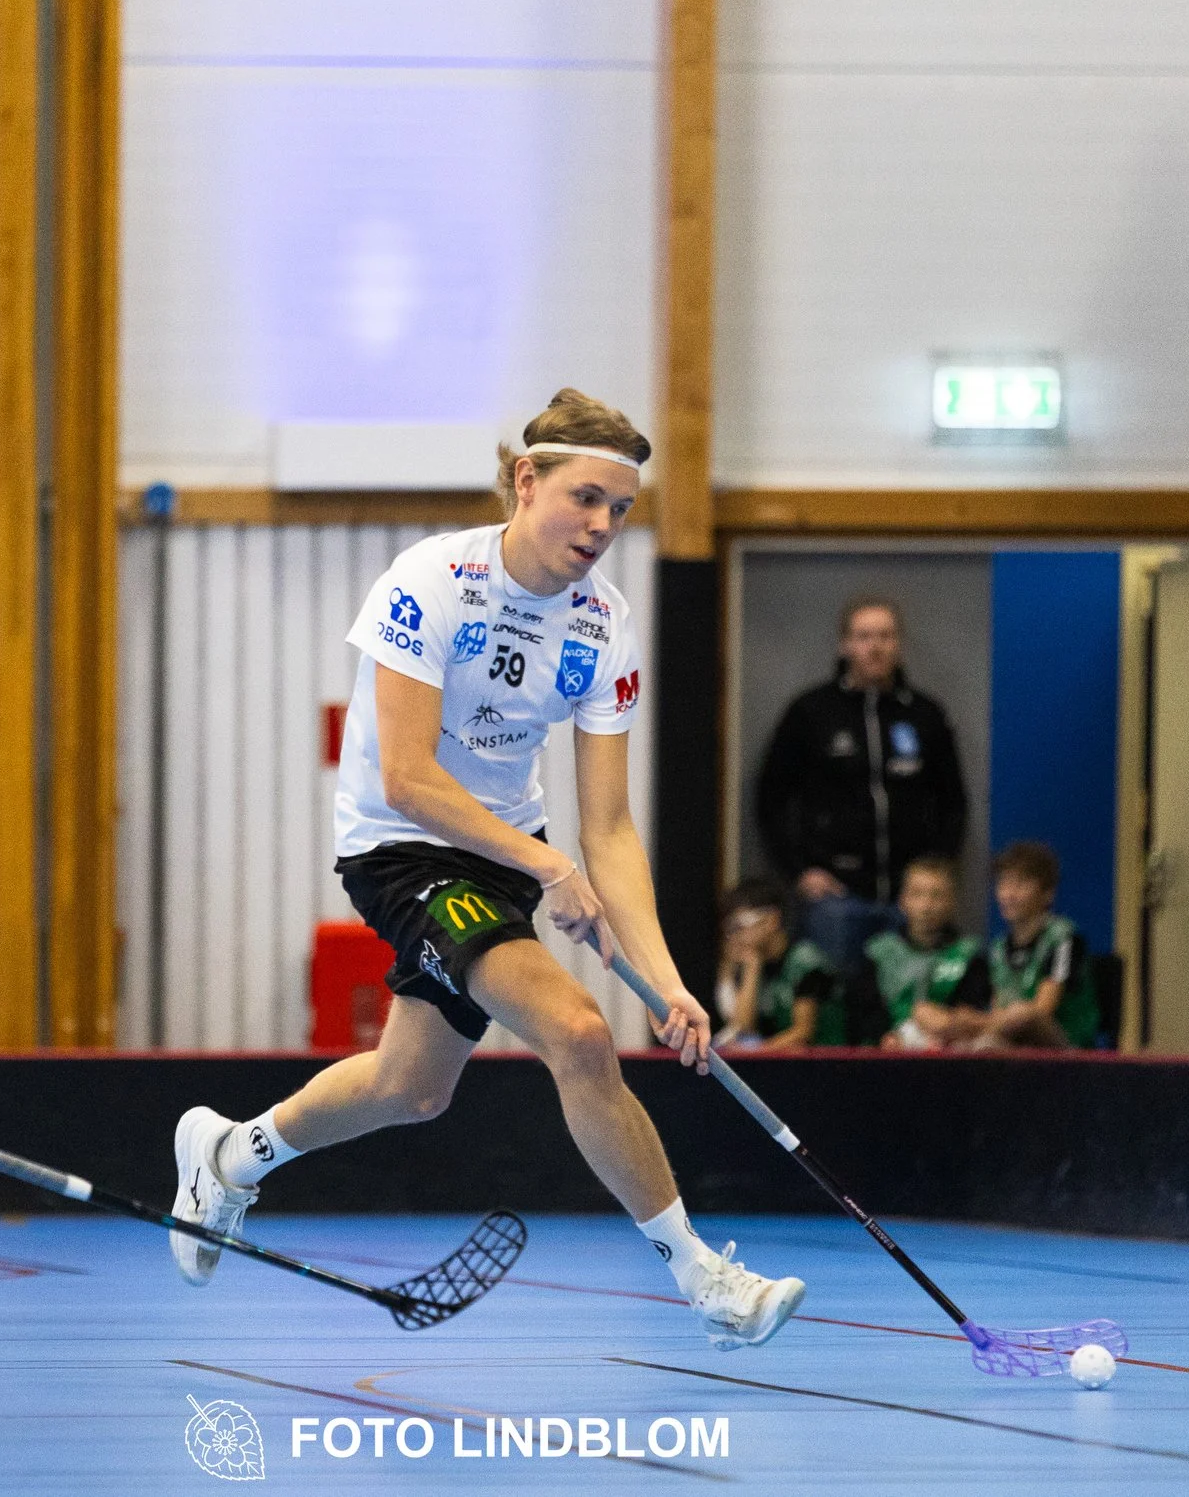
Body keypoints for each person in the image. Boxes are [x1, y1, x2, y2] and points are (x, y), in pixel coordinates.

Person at [167, 391, 806, 1351]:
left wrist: (670, 982)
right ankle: (702, 1274)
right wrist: (548, 864)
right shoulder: (427, 579)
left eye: (621, 509)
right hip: (399, 846)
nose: (602, 526)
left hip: (503, 855)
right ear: (526, 481)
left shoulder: (603, 623)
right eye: (586, 498)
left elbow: (611, 825)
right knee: (580, 1030)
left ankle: (230, 1152)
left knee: (413, 1087)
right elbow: (415, 778)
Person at [753, 599, 968, 970]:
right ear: (845, 645)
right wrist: (798, 871)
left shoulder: (924, 714)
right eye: (864, 636)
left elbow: (953, 800)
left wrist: (938, 870)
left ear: (898, 645)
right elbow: (770, 798)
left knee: (908, 1013)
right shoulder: (811, 712)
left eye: (885, 636)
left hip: (911, 901)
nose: (875, 646)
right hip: (836, 901)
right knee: (835, 1012)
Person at [934, 842, 1097, 1051]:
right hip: (1013, 1040)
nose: (1009, 894)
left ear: (1047, 893)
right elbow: (998, 1009)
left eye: (1021, 884)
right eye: (1004, 883)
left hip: (1064, 1047)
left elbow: (1039, 1013)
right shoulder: (998, 948)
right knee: (964, 1043)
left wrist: (979, 1023)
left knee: (1020, 1016)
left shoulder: (1064, 939)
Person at [842, 856, 986, 1049]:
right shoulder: (878, 953)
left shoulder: (970, 956)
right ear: (903, 900)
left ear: (952, 902)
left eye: (937, 895)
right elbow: (863, 1016)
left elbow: (971, 1014)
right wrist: (885, 1037)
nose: (926, 905)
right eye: (917, 894)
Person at [711, 878, 836, 1051]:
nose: (735, 936)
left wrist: (753, 1052)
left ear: (771, 920)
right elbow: (742, 1028)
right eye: (730, 929)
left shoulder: (806, 961)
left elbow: (803, 1033)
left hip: (829, 1062)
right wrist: (751, 969)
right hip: (782, 1062)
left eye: (740, 925)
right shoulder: (757, 964)